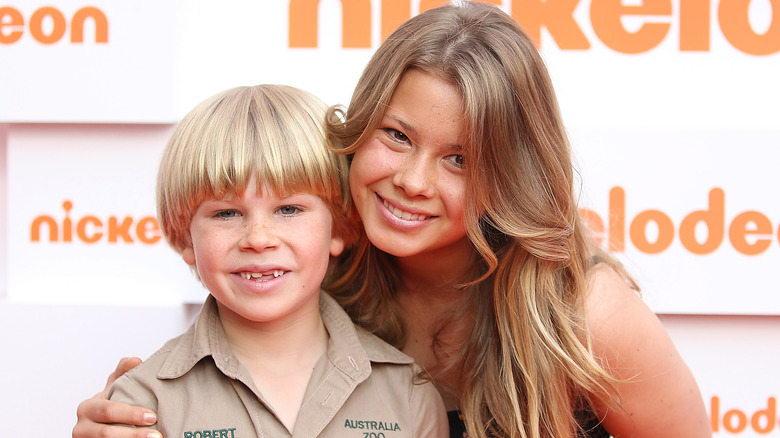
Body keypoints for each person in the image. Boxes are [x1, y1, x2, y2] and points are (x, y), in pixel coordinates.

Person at [73, 3, 710, 438]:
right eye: (397, 136)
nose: (411, 180)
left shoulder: (582, 313)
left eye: (460, 158)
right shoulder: (319, 274)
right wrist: (129, 411)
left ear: (508, 176)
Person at [98, 84, 449, 438]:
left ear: (339, 228)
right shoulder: (140, 406)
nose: (258, 238)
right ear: (183, 237)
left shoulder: (408, 393)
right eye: (226, 214)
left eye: (289, 209)